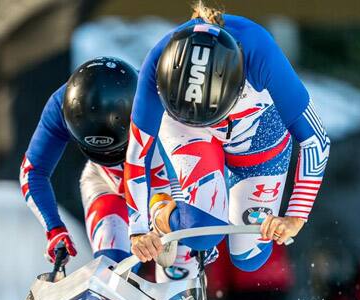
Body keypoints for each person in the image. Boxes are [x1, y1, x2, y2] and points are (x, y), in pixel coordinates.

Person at [124, 1, 331, 281]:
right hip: (188, 132)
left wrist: (295, 216)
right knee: (202, 233)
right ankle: (163, 209)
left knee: (250, 257)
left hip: (257, 132)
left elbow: (315, 140)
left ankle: (204, 201)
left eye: (212, 115)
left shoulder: (260, 53)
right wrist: (138, 228)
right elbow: (138, 153)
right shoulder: (157, 63)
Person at [20, 57, 139, 264]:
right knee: (111, 271)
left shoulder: (159, 98)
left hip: (163, 187)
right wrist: (54, 228)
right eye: (100, 151)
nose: (109, 156)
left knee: (178, 271)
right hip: (106, 181)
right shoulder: (60, 106)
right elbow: (33, 171)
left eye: (116, 150)